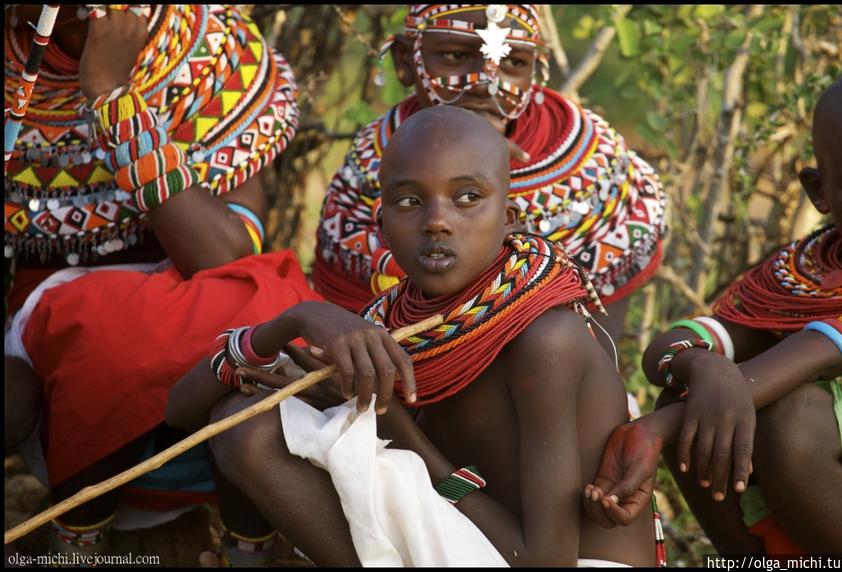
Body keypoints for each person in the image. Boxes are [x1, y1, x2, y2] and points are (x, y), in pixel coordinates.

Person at [167, 105, 663, 566]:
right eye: (410, 201)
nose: (438, 222)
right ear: (382, 223)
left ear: (508, 218)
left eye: (468, 197)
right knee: (247, 424)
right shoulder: (397, 324)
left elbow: (543, 562)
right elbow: (182, 414)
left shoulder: (545, 338)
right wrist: (289, 323)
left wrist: (395, 427)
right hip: (475, 536)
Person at [3, 4, 317, 559]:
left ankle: (249, 551)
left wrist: (112, 98)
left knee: (264, 302)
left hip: (195, 301)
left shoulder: (215, 49)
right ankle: (77, 538)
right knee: (107, 331)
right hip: (59, 319)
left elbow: (224, 254)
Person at [583, 67, 842, 556]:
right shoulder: (798, 276)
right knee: (702, 409)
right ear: (818, 190)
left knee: (789, 414)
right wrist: (702, 365)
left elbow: (820, 350)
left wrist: (656, 427)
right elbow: (669, 347)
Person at [313, 4, 666, 343]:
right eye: (456, 57)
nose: (486, 83)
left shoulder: (595, 166)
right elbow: (350, 336)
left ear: (536, 67)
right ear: (405, 61)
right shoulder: (369, 161)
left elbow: (595, 352)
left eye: (512, 62)